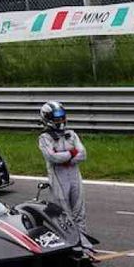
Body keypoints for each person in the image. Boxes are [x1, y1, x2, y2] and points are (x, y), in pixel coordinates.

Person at [37, 101, 89, 246]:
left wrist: (65, 157)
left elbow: (83, 154)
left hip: (74, 175)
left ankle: (84, 242)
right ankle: (69, 244)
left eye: (62, 118)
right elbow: (52, 157)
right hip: (58, 178)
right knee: (64, 213)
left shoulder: (71, 134)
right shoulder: (44, 138)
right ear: (48, 118)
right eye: (56, 118)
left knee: (79, 210)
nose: (60, 121)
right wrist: (72, 154)